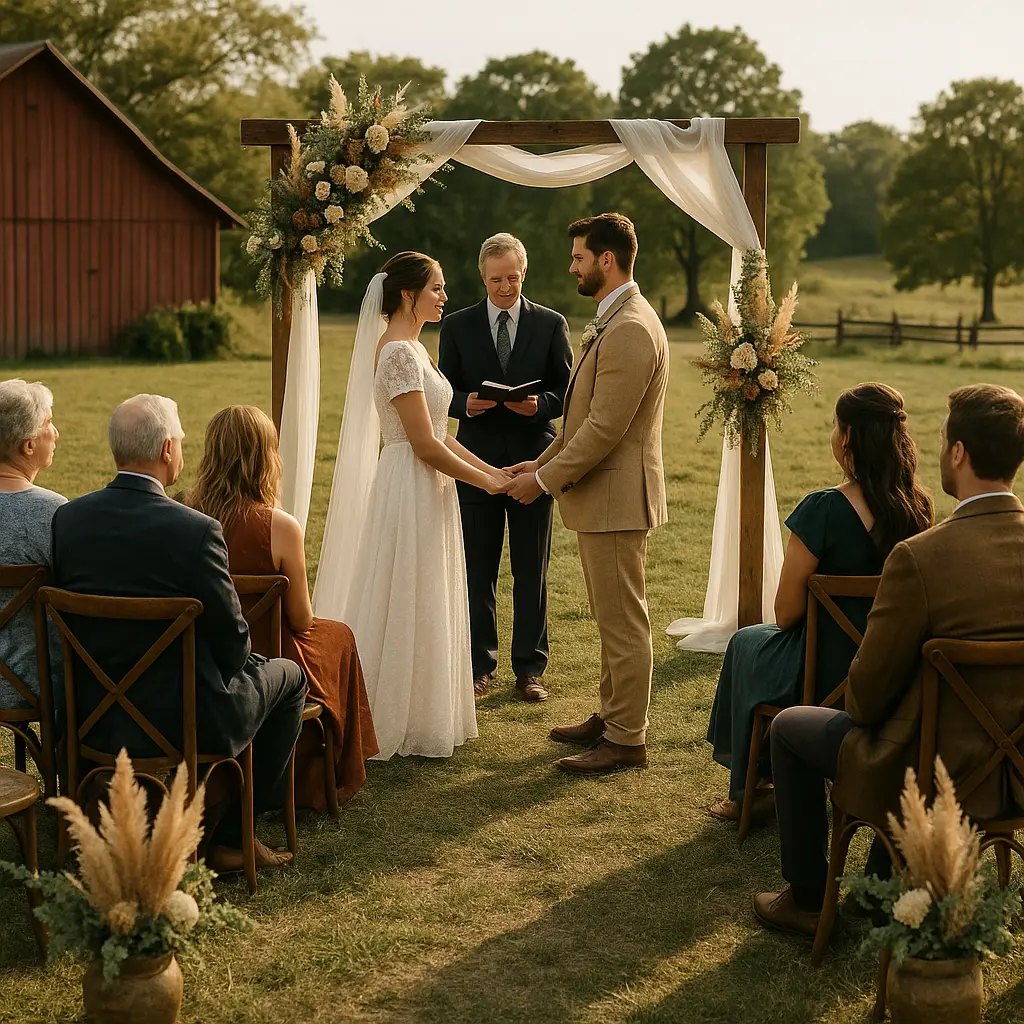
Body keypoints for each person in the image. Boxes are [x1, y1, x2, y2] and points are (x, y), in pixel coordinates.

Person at [753, 383, 1024, 938]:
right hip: (1015, 771)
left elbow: (868, 695)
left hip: (929, 772)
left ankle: (807, 897)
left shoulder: (921, 558)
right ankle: (879, 886)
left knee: (789, 728)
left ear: (959, 453)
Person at [50, 394, 307, 872]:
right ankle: (231, 835)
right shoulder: (196, 531)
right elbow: (234, 648)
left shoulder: (69, 520)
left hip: (92, 711)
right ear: (168, 450)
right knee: (289, 676)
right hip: (185, 716)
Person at [312, 252, 512, 761]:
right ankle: (388, 711)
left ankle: (427, 706)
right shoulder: (398, 353)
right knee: (404, 590)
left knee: (428, 590)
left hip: (431, 483)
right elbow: (423, 445)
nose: (446, 296)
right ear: (408, 294)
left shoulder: (417, 351)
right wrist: (484, 485)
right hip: (409, 483)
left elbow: (442, 435)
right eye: (437, 288)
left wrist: (492, 471)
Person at [705, 383, 933, 824]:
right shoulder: (918, 509)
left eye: (834, 424)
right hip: (889, 668)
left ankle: (754, 787)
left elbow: (786, 614)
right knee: (752, 643)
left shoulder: (823, 509)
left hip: (821, 670)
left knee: (745, 644)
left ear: (847, 437)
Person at [507, 213, 669, 774]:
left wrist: (543, 482)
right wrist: (542, 460)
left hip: (618, 498)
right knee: (610, 615)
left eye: (578, 257)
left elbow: (604, 428)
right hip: (604, 497)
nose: (571, 266)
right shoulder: (616, 318)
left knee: (624, 619)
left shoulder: (630, 327)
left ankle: (627, 738)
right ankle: (612, 714)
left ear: (606, 260)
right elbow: (581, 422)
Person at [186, 404, 379, 810]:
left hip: (202, 655)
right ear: (266, 458)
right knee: (339, 635)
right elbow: (301, 618)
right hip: (268, 656)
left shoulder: (186, 515)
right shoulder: (279, 525)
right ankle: (329, 773)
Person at [438, 233, 573, 703]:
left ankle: (530, 670)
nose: (504, 287)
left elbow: (567, 393)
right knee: (478, 568)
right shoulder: (456, 326)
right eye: (496, 279)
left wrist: (539, 406)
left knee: (532, 568)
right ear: (482, 276)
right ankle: (479, 666)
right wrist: (464, 403)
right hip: (474, 462)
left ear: (524, 272)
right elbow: (443, 389)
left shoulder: (552, 323)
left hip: (534, 463)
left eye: (512, 278)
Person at [0, 379, 65, 712]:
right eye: (49, 423)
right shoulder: (56, 514)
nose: (55, 432)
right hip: (36, 685)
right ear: (28, 446)